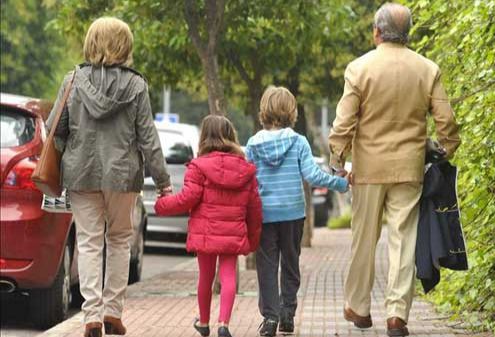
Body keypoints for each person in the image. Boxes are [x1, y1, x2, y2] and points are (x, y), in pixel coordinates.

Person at [328, 3, 461, 337]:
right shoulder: (427, 69)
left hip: (369, 169)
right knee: (403, 240)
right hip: (409, 169)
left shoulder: (359, 69)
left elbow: (344, 121)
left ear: (376, 31)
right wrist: (443, 150)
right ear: (408, 33)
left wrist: (336, 159)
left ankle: (358, 308)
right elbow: (447, 123)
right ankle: (396, 315)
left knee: (364, 239)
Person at [47, 17, 171, 337]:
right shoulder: (136, 85)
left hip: (81, 172)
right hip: (122, 174)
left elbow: (54, 129)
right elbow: (148, 138)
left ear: (92, 42)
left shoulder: (73, 80)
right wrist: (162, 181)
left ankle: (92, 315)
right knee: (119, 240)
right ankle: (114, 312)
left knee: (88, 242)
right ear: (124, 45)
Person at [245, 86, 349, 337]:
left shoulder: (253, 144)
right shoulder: (298, 141)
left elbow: (247, 179)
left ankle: (270, 318)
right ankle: (287, 314)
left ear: (264, 110)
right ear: (291, 111)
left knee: (267, 266)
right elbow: (312, 175)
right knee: (290, 264)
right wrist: (341, 183)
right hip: (292, 214)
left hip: (265, 215)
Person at [155, 115, 262, 337]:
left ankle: (204, 323)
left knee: (206, 276)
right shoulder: (245, 169)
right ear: (231, 135)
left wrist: (162, 205)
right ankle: (224, 323)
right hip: (232, 233)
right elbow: (254, 207)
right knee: (228, 275)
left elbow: (187, 198)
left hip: (206, 233)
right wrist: (252, 238)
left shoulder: (198, 166)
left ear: (204, 136)